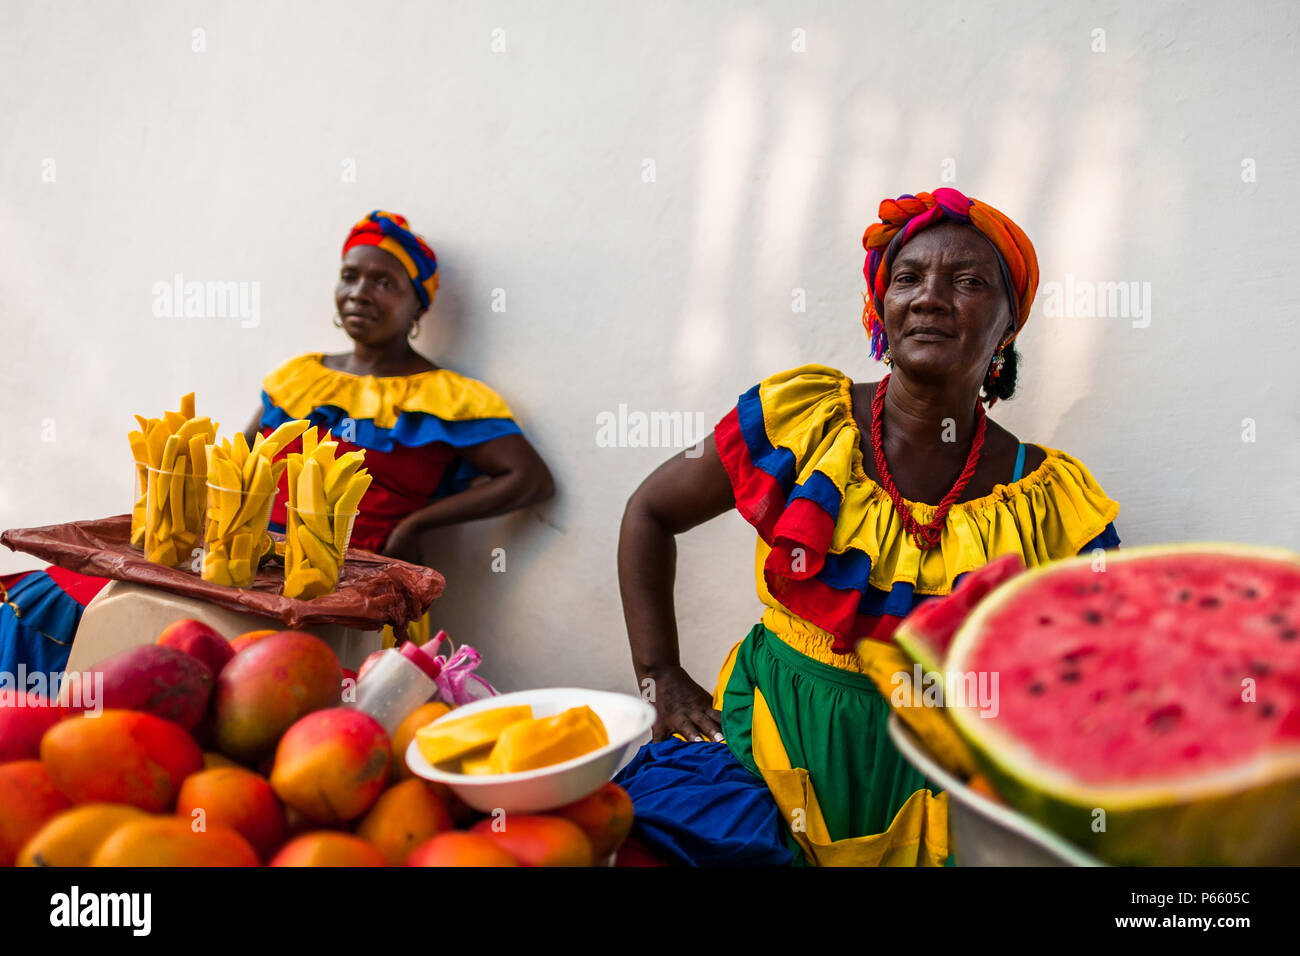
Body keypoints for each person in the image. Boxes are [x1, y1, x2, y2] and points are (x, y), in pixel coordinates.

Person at [614, 187, 1121, 866]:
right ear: (882, 307)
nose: (931, 297)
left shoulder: (1050, 500)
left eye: (968, 282)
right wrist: (659, 674)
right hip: (775, 741)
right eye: (908, 277)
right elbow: (650, 512)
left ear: (1008, 326)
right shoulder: (802, 423)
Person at [244, 211, 554, 644]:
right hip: (254, 581)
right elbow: (242, 464)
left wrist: (416, 526)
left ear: (417, 306)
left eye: (384, 283)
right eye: (349, 276)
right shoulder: (298, 378)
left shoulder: (446, 396)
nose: (359, 293)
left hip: (363, 597)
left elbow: (531, 480)